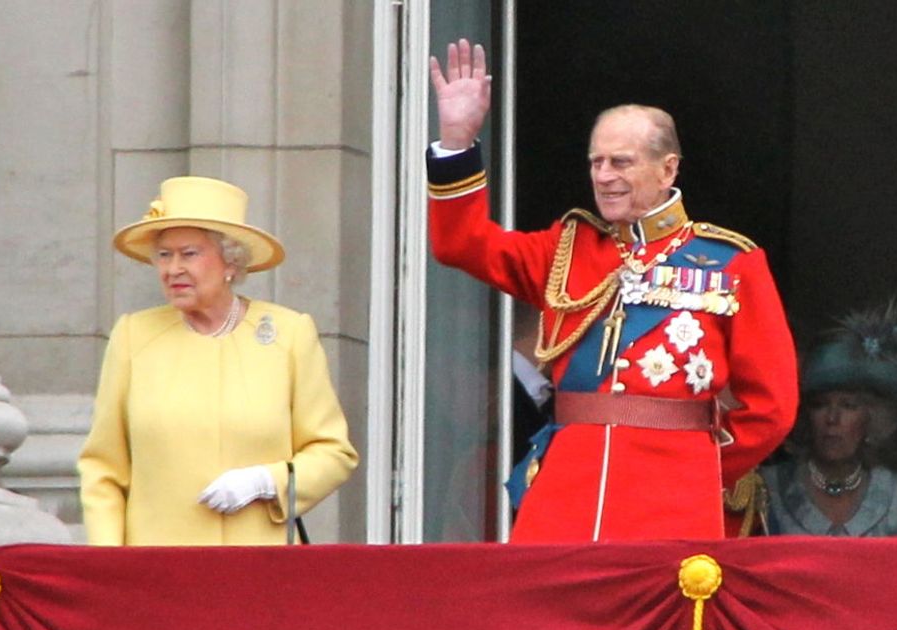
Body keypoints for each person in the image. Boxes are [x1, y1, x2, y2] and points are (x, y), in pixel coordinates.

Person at [428, 39, 798, 542]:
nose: (604, 176)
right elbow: (461, 245)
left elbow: (772, 406)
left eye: (620, 162)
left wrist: (696, 467)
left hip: (674, 508)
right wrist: (456, 142)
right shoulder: (568, 248)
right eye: (595, 162)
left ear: (668, 169)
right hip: (564, 503)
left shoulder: (733, 264)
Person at [77, 176, 359, 545]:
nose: (173, 268)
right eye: (164, 255)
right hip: (157, 574)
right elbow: (103, 469)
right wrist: (109, 564)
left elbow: (333, 453)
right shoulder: (134, 336)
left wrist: (266, 482)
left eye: (189, 254)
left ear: (231, 261)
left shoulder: (289, 335)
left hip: (257, 571)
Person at [760, 303, 897, 536]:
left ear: (872, 418)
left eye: (849, 406)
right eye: (820, 405)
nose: (832, 418)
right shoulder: (769, 488)